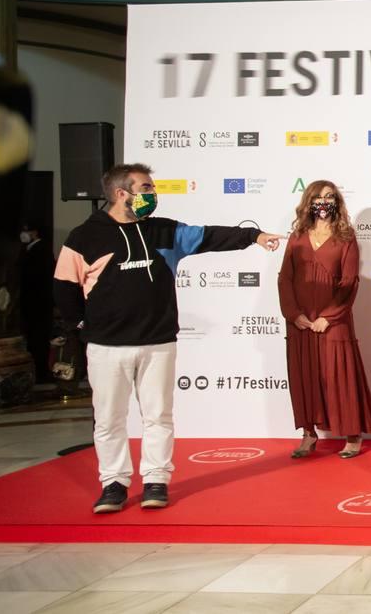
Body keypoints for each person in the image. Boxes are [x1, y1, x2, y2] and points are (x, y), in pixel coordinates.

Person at [52, 164, 282, 514]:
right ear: (120, 193)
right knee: (109, 419)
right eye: (145, 188)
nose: (153, 194)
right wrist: (84, 327)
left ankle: (156, 480)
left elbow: (207, 236)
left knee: (158, 416)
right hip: (106, 346)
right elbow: (65, 288)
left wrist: (252, 237)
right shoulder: (84, 237)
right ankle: (113, 484)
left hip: (158, 342)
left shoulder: (163, 231)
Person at [277, 180, 371, 460]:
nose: (325, 202)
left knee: (340, 376)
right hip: (300, 320)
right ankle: (309, 434)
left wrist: (329, 316)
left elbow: (349, 282)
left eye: (330, 197)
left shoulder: (346, 237)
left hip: (334, 320)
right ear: (309, 202)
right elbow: (285, 278)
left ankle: (352, 434)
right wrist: (293, 314)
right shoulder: (297, 235)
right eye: (319, 197)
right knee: (304, 375)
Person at [19, 221, 55, 384]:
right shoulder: (29, 250)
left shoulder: (41, 250)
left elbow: (40, 279)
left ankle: (42, 372)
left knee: (39, 339)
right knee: (34, 339)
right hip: (32, 303)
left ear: (35, 233)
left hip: (39, 304)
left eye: (28, 231)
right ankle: (37, 371)